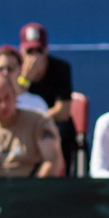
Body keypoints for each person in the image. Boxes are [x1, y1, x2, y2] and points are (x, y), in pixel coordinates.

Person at [17, 22, 76, 169]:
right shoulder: (14, 69)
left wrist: (35, 121)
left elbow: (62, 111)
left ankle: (61, 176)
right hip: (19, 124)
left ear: (47, 49)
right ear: (21, 51)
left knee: (63, 128)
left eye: (39, 50)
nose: (35, 56)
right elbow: (12, 102)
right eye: (30, 51)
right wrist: (25, 79)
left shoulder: (60, 68)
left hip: (49, 123)